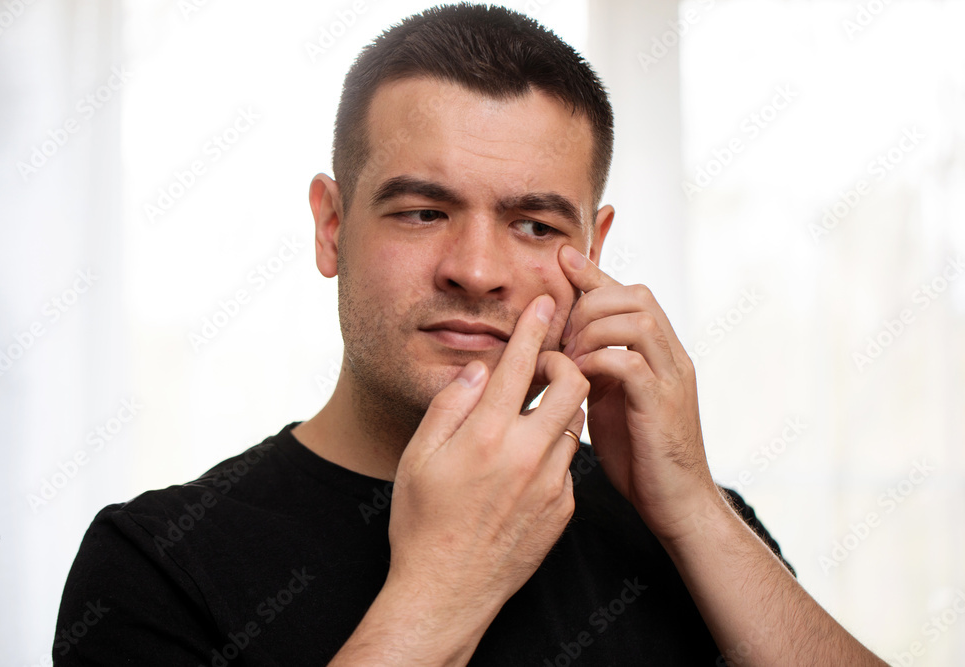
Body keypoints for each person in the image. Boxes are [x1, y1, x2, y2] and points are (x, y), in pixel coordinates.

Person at [55, 4, 885, 665]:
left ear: (591, 251)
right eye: (423, 211)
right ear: (330, 226)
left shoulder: (690, 530)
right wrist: (444, 587)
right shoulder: (153, 563)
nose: (477, 269)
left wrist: (695, 510)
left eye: (531, 225)